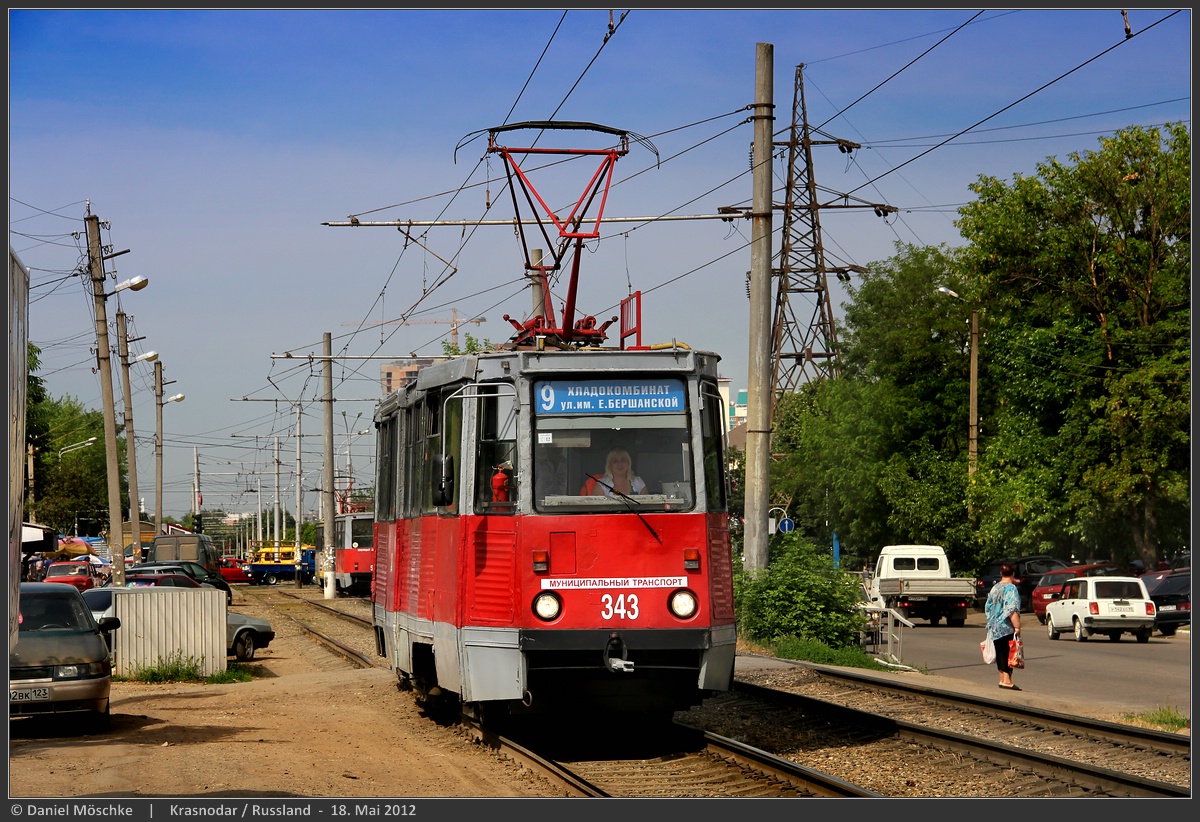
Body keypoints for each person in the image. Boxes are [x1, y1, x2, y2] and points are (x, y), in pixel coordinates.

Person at [985, 562, 1023, 690]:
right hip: (1006, 626)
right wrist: (1017, 626)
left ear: (1001, 573)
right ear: (1013, 574)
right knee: (1007, 653)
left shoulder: (995, 588)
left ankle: (1002, 678)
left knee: (1000, 652)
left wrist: (991, 621)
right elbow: (1011, 609)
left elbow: (988, 606)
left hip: (994, 626)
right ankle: (1007, 680)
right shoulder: (1011, 589)